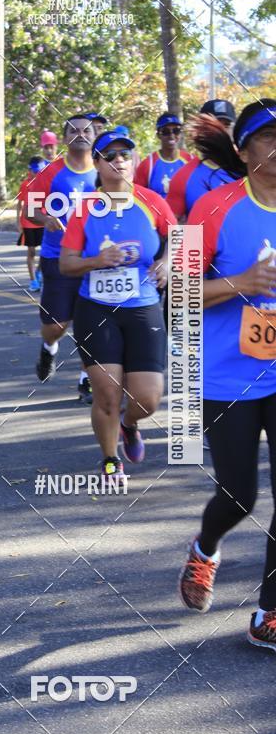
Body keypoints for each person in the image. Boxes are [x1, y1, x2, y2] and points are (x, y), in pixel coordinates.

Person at [178, 99, 276, 651]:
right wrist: (243, 282)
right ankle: (206, 547)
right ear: (243, 152)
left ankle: (269, 613)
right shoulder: (211, 208)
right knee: (239, 495)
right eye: (268, 138)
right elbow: (177, 296)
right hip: (225, 375)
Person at [59, 130, 176, 479]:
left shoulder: (153, 201)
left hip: (143, 307)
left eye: (125, 155)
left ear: (135, 161)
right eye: (110, 156)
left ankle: (129, 423)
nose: (119, 161)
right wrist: (97, 259)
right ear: (97, 164)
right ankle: (110, 459)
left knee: (148, 399)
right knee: (107, 393)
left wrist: (168, 262)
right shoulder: (85, 209)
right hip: (96, 308)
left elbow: (180, 237)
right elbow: (67, 263)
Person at [26, 114, 97, 397]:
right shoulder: (50, 173)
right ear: (65, 138)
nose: (81, 134)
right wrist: (46, 220)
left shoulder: (104, 171)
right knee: (56, 326)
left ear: (94, 135)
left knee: (89, 323)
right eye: (74, 131)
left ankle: (85, 378)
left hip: (93, 259)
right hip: (57, 256)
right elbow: (30, 210)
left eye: (86, 130)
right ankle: (49, 349)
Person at [167, 100, 240, 218]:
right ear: (201, 130)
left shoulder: (250, 168)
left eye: (226, 125)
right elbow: (173, 227)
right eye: (214, 125)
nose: (221, 131)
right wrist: (199, 233)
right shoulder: (183, 177)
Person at [134, 113, 192, 197]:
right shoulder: (148, 165)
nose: (171, 136)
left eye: (176, 131)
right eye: (166, 132)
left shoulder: (190, 160)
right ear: (158, 135)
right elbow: (138, 195)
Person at [17, 157, 46, 293]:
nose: (37, 174)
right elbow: (20, 204)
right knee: (31, 252)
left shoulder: (47, 184)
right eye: (35, 171)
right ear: (29, 170)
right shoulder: (25, 184)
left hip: (43, 221)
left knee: (44, 251)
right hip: (28, 223)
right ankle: (33, 280)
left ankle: (39, 272)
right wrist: (18, 222)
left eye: (40, 171)